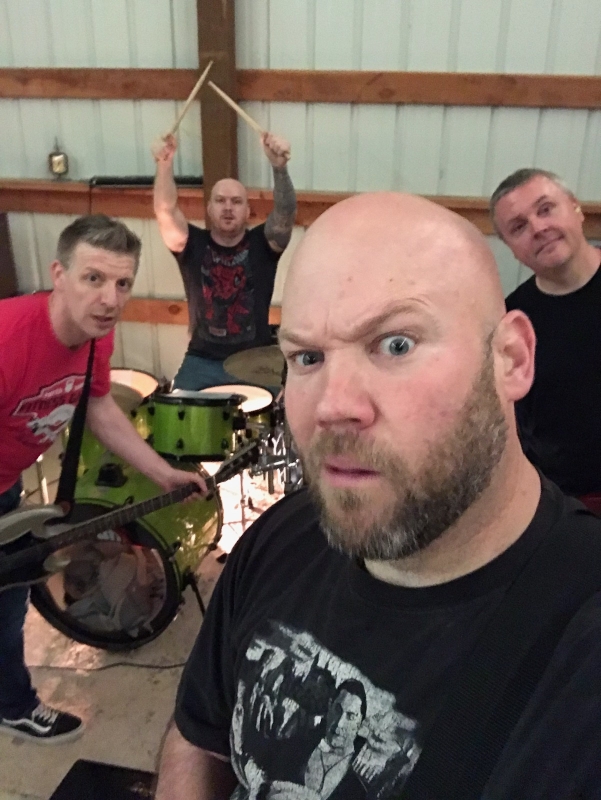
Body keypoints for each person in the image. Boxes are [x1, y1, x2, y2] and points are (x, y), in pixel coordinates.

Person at [155, 192, 601, 800]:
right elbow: (199, 736)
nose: (334, 406)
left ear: (512, 359)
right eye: (307, 357)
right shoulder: (281, 537)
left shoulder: (580, 647)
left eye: (395, 344)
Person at [0, 215, 205, 745]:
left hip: (6, 487)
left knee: (7, 605)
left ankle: (11, 704)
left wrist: (161, 473)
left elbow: (99, 408)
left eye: (123, 283)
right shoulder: (8, 341)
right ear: (59, 274)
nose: (110, 299)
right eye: (94, 278)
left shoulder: (96, 337)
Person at [152, 132, 297, 392]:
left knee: (275, 415)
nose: (228, 207)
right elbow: (165, 210)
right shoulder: (191, 244)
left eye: (236, 201)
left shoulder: (264, 244)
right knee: (177, 409)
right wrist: (164, 164)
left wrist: (279, 167)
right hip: (201, 361)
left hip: (256, 360)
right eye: (220, 200)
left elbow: (285, 212)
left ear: (247, 210)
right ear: (209, 208)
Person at [491, 169, 601, 506]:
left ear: (576, 208)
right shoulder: (512, 323)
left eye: (546, 209)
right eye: (519, 227)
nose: (538, 228)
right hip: (573, 502)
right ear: (511, 249)